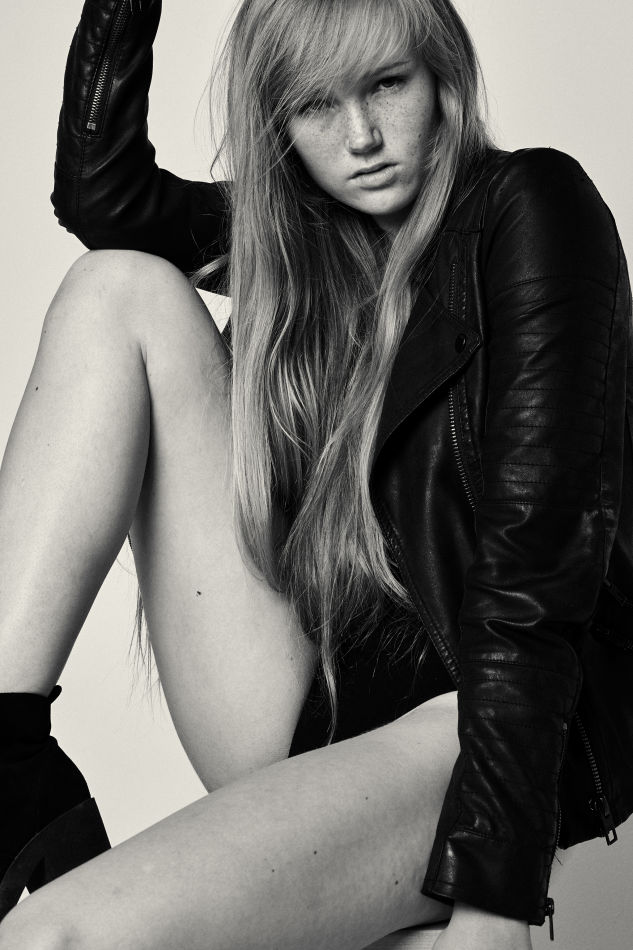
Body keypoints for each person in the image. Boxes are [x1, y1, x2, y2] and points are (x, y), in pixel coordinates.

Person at [0, 0, 632, 947]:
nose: (361, 137)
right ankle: (4, 752)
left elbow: (536, 568)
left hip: (467, 726)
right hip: (305, 696)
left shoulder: (528, 207)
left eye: (386, 84)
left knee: (52, 937)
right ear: (279, 123)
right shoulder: (305, 242)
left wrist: (495, 893)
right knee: (116, 285)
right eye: (315, 105)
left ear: (440, 73)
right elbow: (103, 198)